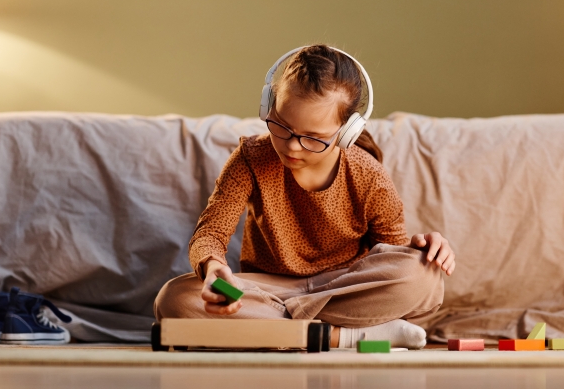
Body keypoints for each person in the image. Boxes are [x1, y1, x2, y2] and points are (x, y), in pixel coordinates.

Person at [154, 44, 456, 349]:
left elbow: (388, 256)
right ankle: (346, 336)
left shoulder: (369, 175)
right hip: (269, 292)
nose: (292, 147)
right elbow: (211, 232)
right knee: (175, 298)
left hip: (343, 288)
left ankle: (273, 331)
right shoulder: (250, 158)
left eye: (313, 138)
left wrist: (418, 251)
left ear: (346, 131)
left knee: (424, 275)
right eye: (282, 127)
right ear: (268, 106)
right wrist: (212, 268)